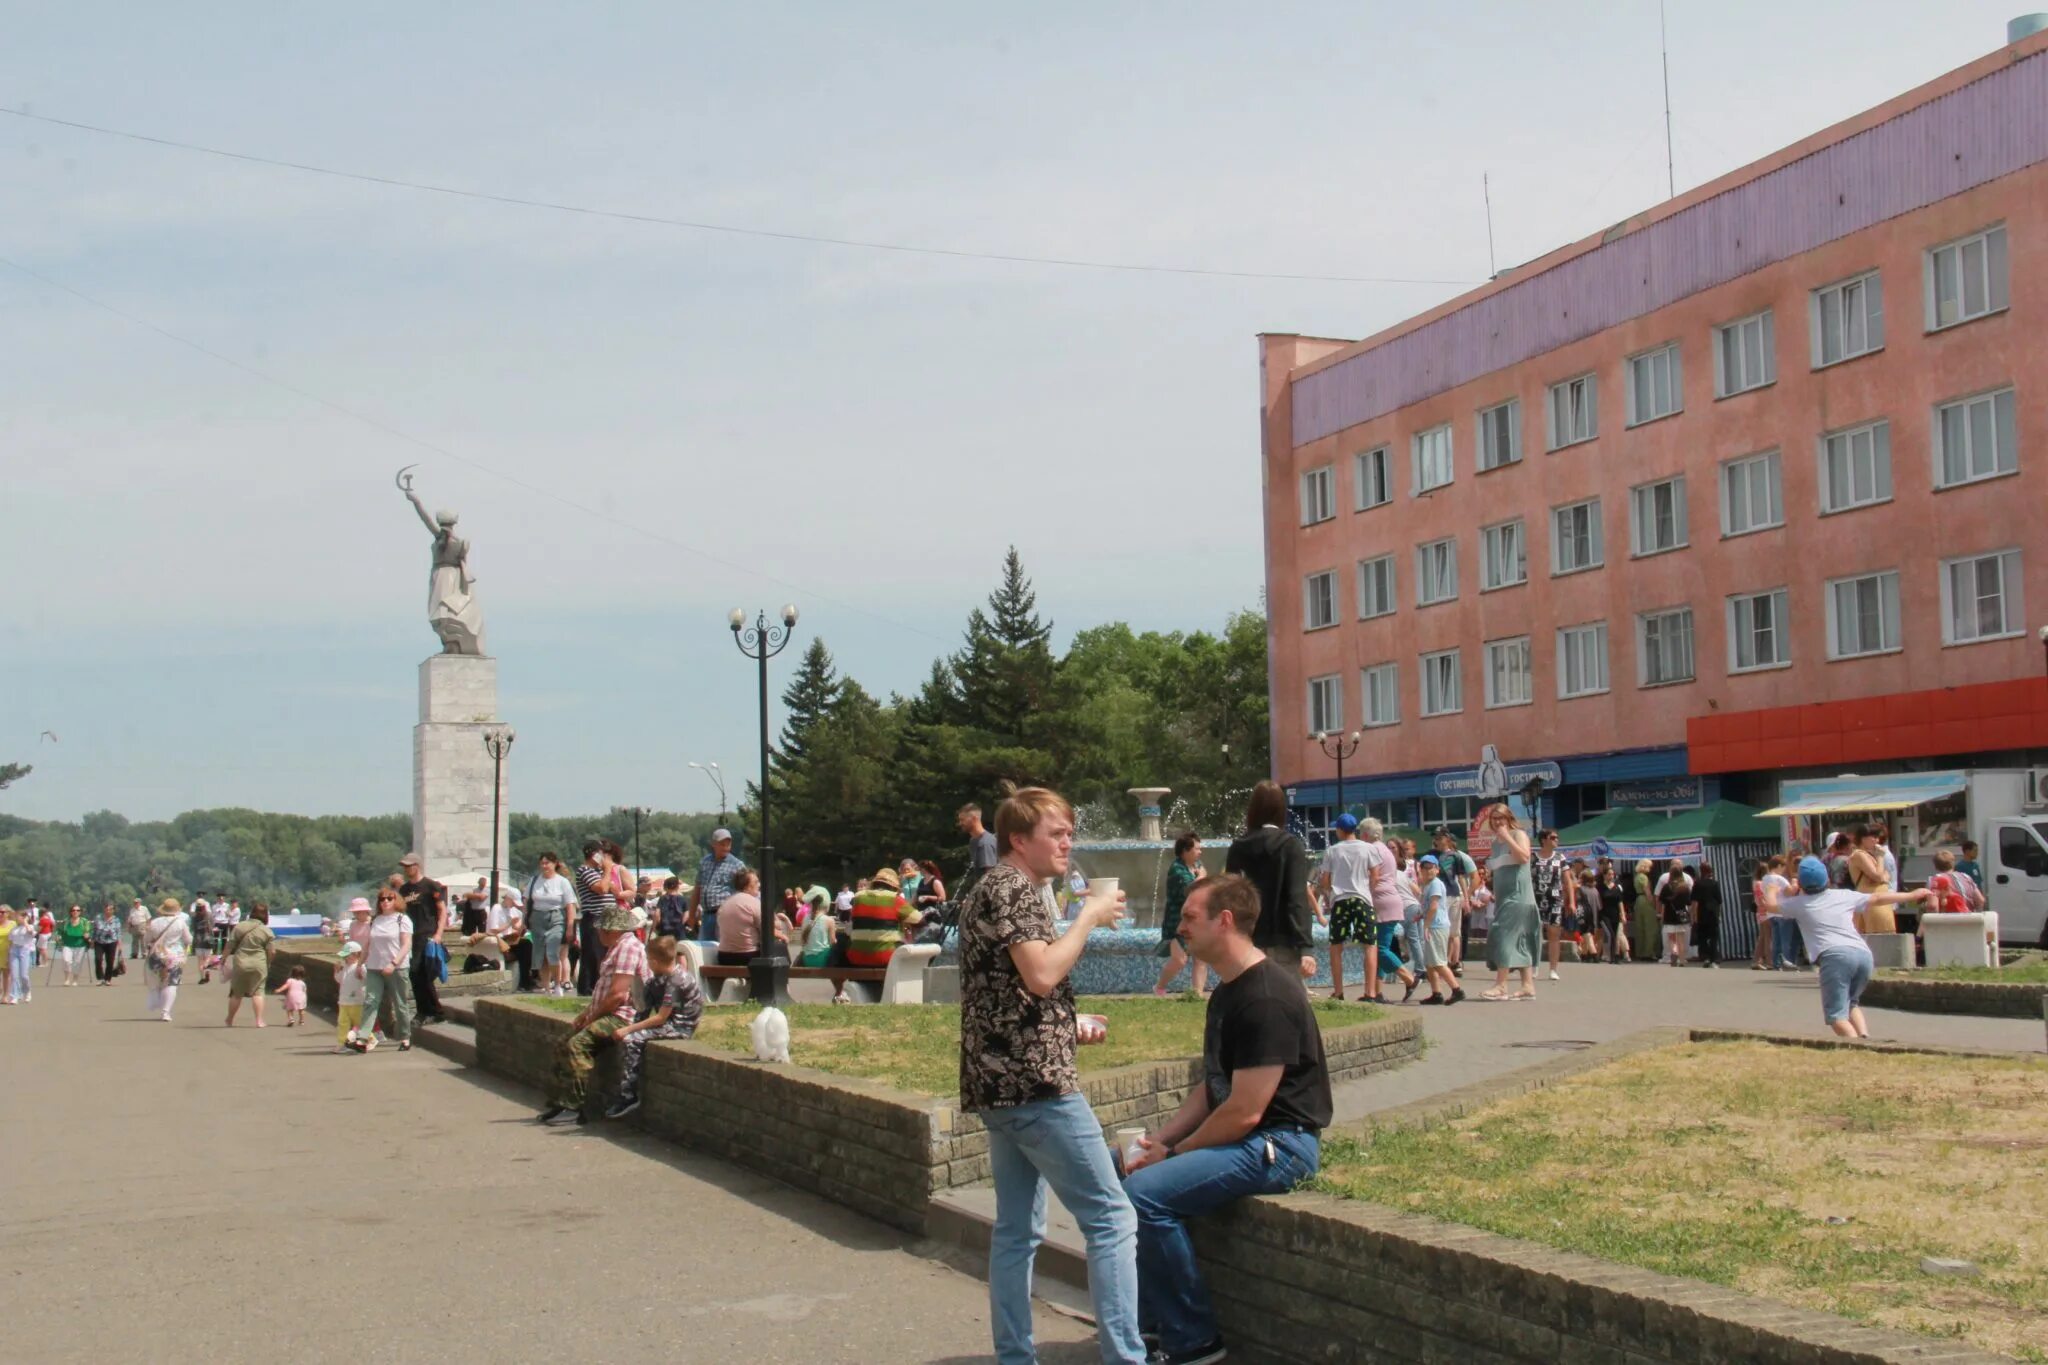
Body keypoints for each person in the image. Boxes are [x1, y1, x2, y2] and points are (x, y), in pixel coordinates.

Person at [956, 786, 1143, 1365]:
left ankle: (1015, 1357)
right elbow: (1038, 974)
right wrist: (1087, 914)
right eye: (1056, 833)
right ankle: (1126, 1358)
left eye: (1070, 832)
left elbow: (1008, 989)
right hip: (1036, 1088)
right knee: (1113, 1219)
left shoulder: (1002, 888)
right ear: (1019, 839)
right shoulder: (1013, 888)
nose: (1068, 842)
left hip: (998, 1085)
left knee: (1016, 1230)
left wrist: (1068, 1019)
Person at [1122, 874, 1331, 1365]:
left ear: (1226, 920)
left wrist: (1172, 1155)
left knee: (1144, 1196)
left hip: (1281, 1145)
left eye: (1190, 917)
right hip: (1250, 1136)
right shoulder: (1228, 991)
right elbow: (1212, 1085)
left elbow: (1244, 1111)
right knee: (1119, 1171)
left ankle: (1193, 1342)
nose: (1181, 926)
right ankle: (1147, 1327)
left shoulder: (1266, 997)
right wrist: (1159, 1140)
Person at [1779, 856, 1933, 1039]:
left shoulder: (1798, 904)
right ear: (1827, 879)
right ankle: (1864, 1037)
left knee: (1836, 1016)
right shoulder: (1843, 895)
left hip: (1834, 956)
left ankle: (1855, 1047)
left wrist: (1774, 888)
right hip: (1863, 954)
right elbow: (1877, 898)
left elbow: (1768, 905)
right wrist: (1912, 895)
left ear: (1801, 884)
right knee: (1851, 1003)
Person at [537, 905, 652, 1126]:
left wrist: (591, 1018)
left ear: (611, 930)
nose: (598, 934)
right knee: (563, 1042)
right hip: (608, 1012)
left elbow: (618, 995)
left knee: (578, 1045)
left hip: (623, 1016)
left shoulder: (628, 948)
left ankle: (574, 1107)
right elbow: (606, 991)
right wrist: (586, 1013)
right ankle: (561, 1101)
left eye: (601, 930)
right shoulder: (618, 947)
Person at [603, 934, 705, 1120]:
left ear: (655, 962)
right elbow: (644, 1010)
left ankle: (629, 1095)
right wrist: (638, 1002)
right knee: (627, 1032)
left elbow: (660, 1017)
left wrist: (628, 1030)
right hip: (668, 1023)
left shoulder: (677, 981)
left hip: (680, 1027)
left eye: (648, 959)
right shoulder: (658, 979)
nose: (647, 963)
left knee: (632, 1040)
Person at [1223, 781, 1316, 981]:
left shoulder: (1238, 847)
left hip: (1247, 940)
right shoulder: (1290, 846)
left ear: (1253, 810)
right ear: (1281, 810)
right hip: (1283, 941)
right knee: (1287, 1005)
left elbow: (1229, 896)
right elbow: (1296, 898)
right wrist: (1305, 946)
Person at [1481, 804, 1539, 1000]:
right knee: (1519, 940)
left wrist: (1507, 837)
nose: (1498, 822)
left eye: (1501, 818)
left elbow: (1524, 857)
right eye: (1494, 818)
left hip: (1519, 896)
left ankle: (1501, 985)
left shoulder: (1518, 834)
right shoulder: (1495, 843)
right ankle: (1527, 986)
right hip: (1504, 897)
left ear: (1509, 818)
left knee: (1502, 934)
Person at [350, 887, 415, 1053]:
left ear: (396, 901)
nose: (385, 901)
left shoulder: (402, 919)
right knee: (371, 1001)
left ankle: (405, 1037)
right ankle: (363, 1038)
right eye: (382, 899)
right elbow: (368, 944)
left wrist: (393, 963)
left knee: (399, 1003)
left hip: (397, 967)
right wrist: (360, 964)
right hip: (374, 966)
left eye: (389, 898)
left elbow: (406, 944)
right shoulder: (376, 920)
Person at [1154, 834, 1209, 997]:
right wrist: (1202, 877)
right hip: (1176, 923)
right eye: (1197, 848)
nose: (1200, 852)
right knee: (1180, 960)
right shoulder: (1177, 869)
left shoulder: (1196, 865)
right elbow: (1190, 889)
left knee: (1200, 958)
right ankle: (1159, 988)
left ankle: (1197, 994)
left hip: (1195, 921)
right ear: (1185, 850)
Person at [396, 852, 448, 1025]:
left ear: (417, 866)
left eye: (409, 866)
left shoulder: (431, 886)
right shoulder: (403, 890)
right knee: (415, 974)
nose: (406, 869)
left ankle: (429, 1011)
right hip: (411, 935)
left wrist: (439, 934)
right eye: (404, 866)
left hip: (427, 935)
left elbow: (442, 910)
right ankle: (429, 1010)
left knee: (422, 973)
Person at [847, 867, 920, 972]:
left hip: (856, 957)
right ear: (893, 887)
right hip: (886, 958)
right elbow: (919, 920)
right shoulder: (895, 899)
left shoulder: (858, 897)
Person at [524, 853, 577, 997]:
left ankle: (558, 985)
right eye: (542, 863)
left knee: (553, 951)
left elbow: (570, 905)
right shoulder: (534, 881)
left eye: (547, 863)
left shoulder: (562, 882)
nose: (544, 866)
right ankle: (546, 987)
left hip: (556, 917)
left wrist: (570, 926)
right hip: (537, 917)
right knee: (540, 954)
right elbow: (526, 900)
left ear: (555, 864)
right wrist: (525, 918)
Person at [714, 869, 789, 967]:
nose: (759, 885)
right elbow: (767, 931)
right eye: (756, 882)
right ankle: (779, 981)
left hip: (723, 956)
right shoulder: (754, 903)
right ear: (747, 886)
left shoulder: (724, 904)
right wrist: (783, 936)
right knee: (779, 950)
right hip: (747, 957)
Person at [1415, 854, 1463, 1005]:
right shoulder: (1427, 885)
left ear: (1437, 869)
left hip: (1436, 926)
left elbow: (1434, 907)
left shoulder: (1435, 884)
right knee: (1430, 962)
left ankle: (1457, 990)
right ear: (1420, 870)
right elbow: (1429, 906)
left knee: (1438, 962)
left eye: (1432, 867)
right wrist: (1421, 916)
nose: (1428, 870)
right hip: (1433, 925)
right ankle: (1436, 993)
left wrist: (1427, 925)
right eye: (1425, 868)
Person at [688, 829, 745, 944]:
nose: (725, 847)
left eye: (728, 844)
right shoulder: (705, 862)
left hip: (725, 915)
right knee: (703, 950)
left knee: (722, 948)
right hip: (706, 915)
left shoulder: (737, 865)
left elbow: (744, 893)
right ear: (713, 844)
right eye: (722, 844)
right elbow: (698, 889)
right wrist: (691, 915)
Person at [225, 904, 277, 1026]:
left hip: (240, 962)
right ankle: (259, 1020)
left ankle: (230, 1019)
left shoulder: (240, 926)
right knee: (258, 993)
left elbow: (230, 945)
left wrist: (223, 959)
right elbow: (272, 951)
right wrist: (268, 963)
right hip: (259, 963)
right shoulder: (266, 930)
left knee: (236, 993)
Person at [1529, 830, 1570, 982]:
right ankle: (1534, 966)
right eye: (1553, 838)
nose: (1556, 840)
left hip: (1555, 899)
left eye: (1557, 837)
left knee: (1554, 933)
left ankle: (1553, 969)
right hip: (1535, 899)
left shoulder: (1560, 858)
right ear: (1544, 840)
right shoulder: (1532, 858)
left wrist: (1570, 901)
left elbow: (1567, 881)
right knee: (1534, 934)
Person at [143, 897, 193, 1020]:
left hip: (157, 955)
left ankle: (155, 1001)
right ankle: (165, 1012)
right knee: (171, 983)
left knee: (157, 981)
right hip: (174, 956)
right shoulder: (180, 922)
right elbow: (189, 940)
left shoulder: (154, 922)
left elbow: (146, 939)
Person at [1845, 825, 1896, 934]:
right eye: (1874, 837)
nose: (1877, 840)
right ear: (1863, 838)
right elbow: (1878, 876)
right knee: (1880, 934)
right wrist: (1880, 856)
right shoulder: (1859, 855)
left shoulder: (1867, 855)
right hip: (1873, 900)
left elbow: (1885, 876)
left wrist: (1883, 874)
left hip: (1878, 898)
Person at [959, 802, 1001, 903]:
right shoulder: (973, 841)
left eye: (962, 820)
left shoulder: (985, 843)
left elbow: (989, 876)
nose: (960, 823)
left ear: (974, 818)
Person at [1656, 861, 1693, 966]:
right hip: (1681, 915)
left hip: (1669, 915)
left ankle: (1674, 952)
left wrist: (1661, 915)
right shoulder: (1684, 887)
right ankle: (1682, 959)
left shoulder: (1667, 887)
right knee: (1681, 938)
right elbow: (1689, 902)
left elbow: (1661, 901)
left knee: (1672, 938)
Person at [334, 943, 367, 1054]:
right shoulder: (345, 966)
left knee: (359, 1023)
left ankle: (364, 1040)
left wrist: (362, 974)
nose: (346, 958)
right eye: (345, 956)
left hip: (356, 1000)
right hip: (344, 1000)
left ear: (356, 955)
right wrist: (337, 971)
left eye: (348, 956)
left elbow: (366, 979)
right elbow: (339, 980)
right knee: (342, 1023)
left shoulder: (360, 966)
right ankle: (341, 1043)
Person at [1691, 863, 1723, 968]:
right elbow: (1719, 901)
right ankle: (1714, 959)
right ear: (1711, 871)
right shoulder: (1715, 883)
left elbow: (1695, 902)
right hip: (1713, 912)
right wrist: (1719, 914)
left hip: (1701, 912)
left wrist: (1694, 916)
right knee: (1714, 936)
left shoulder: (1697, 884)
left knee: (1702, 937)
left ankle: (1706, 958)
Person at [1595, 862, 1627, 963]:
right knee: (1610, 934)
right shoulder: (1600, 887)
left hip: (1615, 914)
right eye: (1609, 874)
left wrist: (1622, 914)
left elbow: (1620, 901)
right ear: (1604, 875)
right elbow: (1598, 901)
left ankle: (1614, 957)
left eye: (1612, 874)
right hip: (1604, 914)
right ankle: (1604, 955)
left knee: (1615, 935)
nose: (1611, 876)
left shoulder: (1616, 887)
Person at [1629, 858, 1659, 962]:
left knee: (1640, 927)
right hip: (1645, 901)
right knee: (1650, 927)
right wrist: (1654, 905)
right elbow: (1648, 892)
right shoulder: (1644, 878)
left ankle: (1640, 952)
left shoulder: (1637, 877)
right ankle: (1649, 952)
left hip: (1638, 900)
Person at [4, 905, 33, 1004]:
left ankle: (27, 991)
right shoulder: (14, 929)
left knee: (24, 975)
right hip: (14, 950)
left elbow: (31, 932)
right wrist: (8, 956)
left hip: (24, 950)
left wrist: (25, 922)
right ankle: (15, 995)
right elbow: (10, 942)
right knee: (14, 975)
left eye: (18, 916)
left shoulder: (29, 927)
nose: (16, 918)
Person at [57, 906, 91, 987]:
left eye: (78, 910)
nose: (75, 912)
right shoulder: (66, 921)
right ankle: (67, 979)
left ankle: (75, 980)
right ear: (70, 912)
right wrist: (58, 936)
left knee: (77, 963)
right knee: (66, 960)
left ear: (80, 912)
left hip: (80, 945)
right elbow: (59, 931)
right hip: (67, 944)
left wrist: (87, 935)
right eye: (73, 910)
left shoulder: (84, 921)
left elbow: (88, 931)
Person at [91, 905, 122, 985]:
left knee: (110, 961)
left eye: (110, 909)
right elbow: (94, 930)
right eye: (107, 909)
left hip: (112, 942)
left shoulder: (116, 920)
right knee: (98, 959)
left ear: (113, 910)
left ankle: (108, 979)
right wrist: (92, 941)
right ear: (104, 910)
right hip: (99, 941)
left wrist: (120, 945)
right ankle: (100, 978)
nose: (108, 911)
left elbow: (118, 933)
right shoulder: (98, 918)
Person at [653, 876, 691, 941]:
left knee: (665, 948)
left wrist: (658, 925)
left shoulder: (662, 898)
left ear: (666, 886)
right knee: (679, 948)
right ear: (677, 887)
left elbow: (657, 914)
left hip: (665, 928)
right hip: (679, 930)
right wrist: (681, 924)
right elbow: (686, 915)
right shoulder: (683, 899)